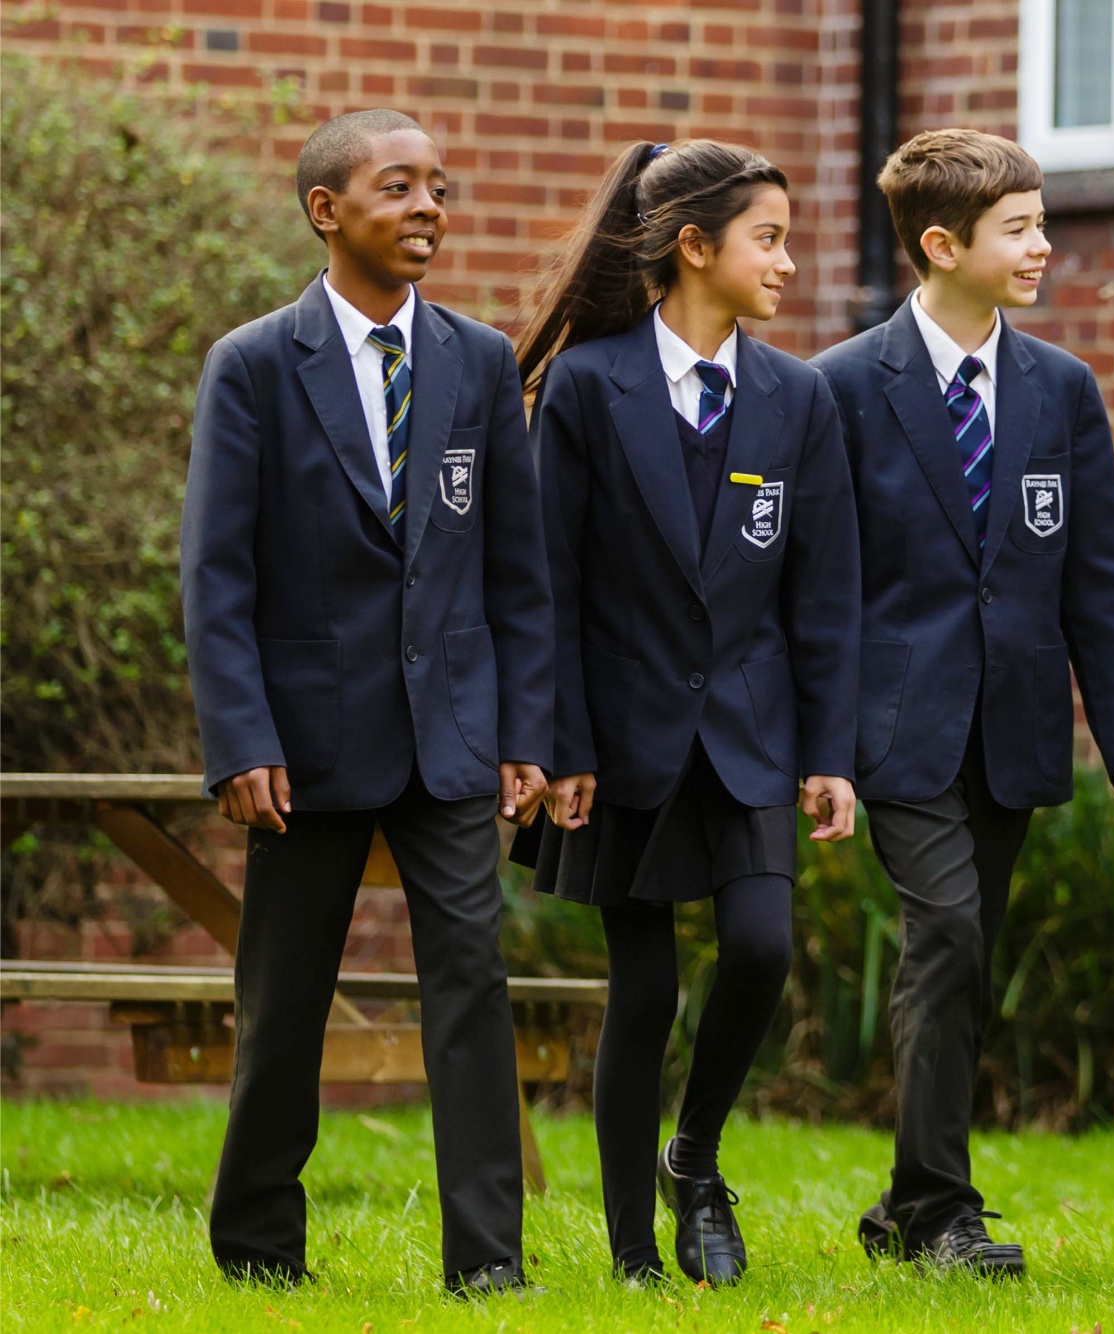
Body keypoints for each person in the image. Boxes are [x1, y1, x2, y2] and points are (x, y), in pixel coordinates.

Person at [181, 109, 553, 1295]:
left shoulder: (480, 363)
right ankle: (254, 1244)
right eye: (399, 188)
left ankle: (487, 1259)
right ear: (326, 211)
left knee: (470, 990)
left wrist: (523, 733)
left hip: (450, 740)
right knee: (282, 1001)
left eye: (440, 187)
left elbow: (518, 570)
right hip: (303, 746)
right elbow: (217, 570)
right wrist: (240, 735)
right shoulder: (252, 364)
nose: (429, 208)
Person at [812, 128, 1114, 1277]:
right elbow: (821, 591)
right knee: (949, 931)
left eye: (1040, 221)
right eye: (1018, 228)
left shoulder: (1060, 390)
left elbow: (1099, 575)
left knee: (957, 955)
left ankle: (908, 1207)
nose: (1042, 246)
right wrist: (822, 749)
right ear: (940, 245)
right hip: (894, 727)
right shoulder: (843, 387)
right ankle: (939, 1211)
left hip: (1011, 727)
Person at [510, 139, 861, 1287]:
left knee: (760, 948)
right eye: (768, 237)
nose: (789, 262)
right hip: (619, 748)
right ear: (694, 247)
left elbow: (824, 596)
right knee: (645, 986)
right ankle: (627, 1254)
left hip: (753, 739)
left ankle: (694, 1158)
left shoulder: (798, 398)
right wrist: (558, 745)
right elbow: (546, 583)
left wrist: (829, 753)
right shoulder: (584, 387)